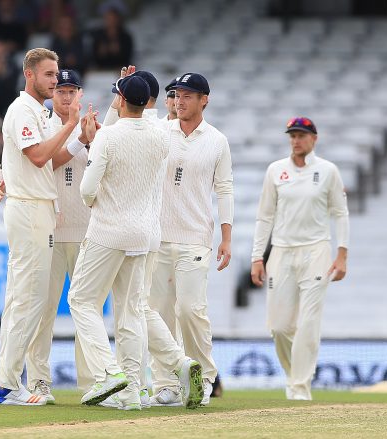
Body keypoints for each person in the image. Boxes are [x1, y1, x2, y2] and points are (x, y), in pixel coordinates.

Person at [0, 48, 82, 406]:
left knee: (21, 300)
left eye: (56, 74)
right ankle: (6, 383)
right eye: (48, 75)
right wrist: (71, 124)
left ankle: (6, 380)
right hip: (28, 210)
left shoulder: (38, 113)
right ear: (30, 74)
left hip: (38, 209)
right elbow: (38, 156)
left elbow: (52, 159)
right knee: (30, 299)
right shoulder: (21, 110)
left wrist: (78, 135)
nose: (55, 80)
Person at [67, 74, 168, 410]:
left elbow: (86, 190)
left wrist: (95, 203)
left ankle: (109, 373)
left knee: (81, 300)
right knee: (130, 313)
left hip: (108, 231)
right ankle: (133, 392)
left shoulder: (107, 137)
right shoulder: (160, 135)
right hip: (143, 232)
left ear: (121, 100)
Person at [147, 73, 233, 406]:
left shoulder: (216, 140)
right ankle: (165, 384)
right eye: (176, 95)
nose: (180, 101)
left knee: (190, 310)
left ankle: (206, 378)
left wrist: (226, 238)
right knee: (160, 312)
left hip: (196, 237)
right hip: (157, 236)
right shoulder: (159, 131)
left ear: (203, 100)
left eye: (187, 96)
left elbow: (224, 189)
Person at [251, 117, 349, 401]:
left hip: (316, 251)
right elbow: (264, 216)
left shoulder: (328, 171)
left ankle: (299, 388)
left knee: (308, 322)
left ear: (314, 139)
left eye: (302, 135)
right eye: (293, 135)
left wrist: (342, 253)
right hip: (281, 252)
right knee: (279, 327)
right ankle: (295, 377)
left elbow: (340, 213)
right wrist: (258, 257)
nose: (296, 140)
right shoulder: (276, 170)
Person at [24, 69, 97, 403]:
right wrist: (78, 138)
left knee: (87, 309)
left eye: (72, 91)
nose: (66, 97)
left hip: (87, 233)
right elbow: (45, 162)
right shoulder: (42, 126)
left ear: (80, 94)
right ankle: (39, 380)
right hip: (49, 232)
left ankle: (93, 382)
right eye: (61, 91)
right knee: (43, 310)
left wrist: (91, 137)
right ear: (52, 94)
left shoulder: (95, 129)